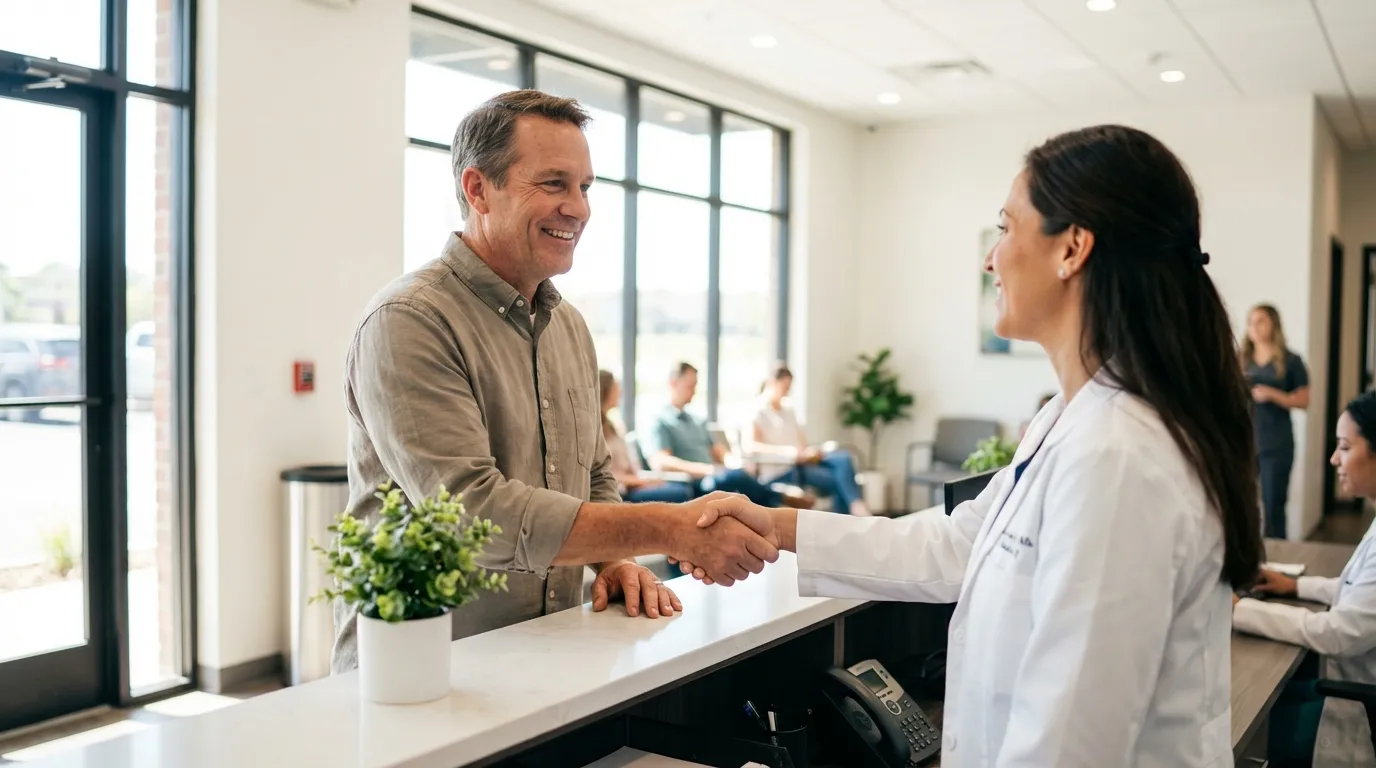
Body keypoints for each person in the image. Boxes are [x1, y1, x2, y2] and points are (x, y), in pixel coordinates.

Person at [680, 125, 1264, 766]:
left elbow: (1067, 747)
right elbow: (957, 543)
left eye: (1007, 229)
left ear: (1072, 248)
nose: (992, 259)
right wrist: (780, 526)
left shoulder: (1118, 456)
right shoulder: (1070, 420)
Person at [335, 90, 778, 672]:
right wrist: (671, 529)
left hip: (552, 654)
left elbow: (591, 474)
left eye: (585, 186)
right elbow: (475, 514)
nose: (579, 208)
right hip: (426, 671)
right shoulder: (409, 322)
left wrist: (612, 561)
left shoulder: (567, 325)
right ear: (477, 189)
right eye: (553, 184)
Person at [1233, 390, 1376, 767]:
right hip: (1349, 680)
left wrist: (1239, 610)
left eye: (1345, 447)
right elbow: (1356, 591)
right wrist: (1294, 585)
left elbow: (1338, 633)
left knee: (1245, 719)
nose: (1334, 459)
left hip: (1356, 710)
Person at [643, 362, 812, 509]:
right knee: (735, 479)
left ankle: (775, 506)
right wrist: (705, 470)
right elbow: (661, 461)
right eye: (690, 386)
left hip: (717, 475)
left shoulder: (697, 420)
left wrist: (735, 463)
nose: (694, 391)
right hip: (697, 482)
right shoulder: (659, 421)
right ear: (673, 383)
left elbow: (720, 452)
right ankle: (779, 499)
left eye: (695, 385)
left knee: (738, 475)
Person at [744, 363, 870, 516]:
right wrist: (789, 453)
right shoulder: (758, 411)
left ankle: (854, 508)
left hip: (801, 463)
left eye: (789, 389)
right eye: (784, 388)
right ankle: (856, 510)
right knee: (840, 480)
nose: (786, 393)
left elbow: (801, 442)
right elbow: (751, 446)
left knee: (844, 458)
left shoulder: (788, 409)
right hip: (782, 469)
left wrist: (809, 452)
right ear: (771, 383)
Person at [1242, 303, 1310, 539]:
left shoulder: (1291, 361)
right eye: (1251, 322)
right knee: (1243, 506)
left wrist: (1273, 394)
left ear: (1273, 325)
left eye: (1260, 321)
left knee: (1273, 507)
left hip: (1276, 445)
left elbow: (1304, 400)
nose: (1254, 327)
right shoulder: (1241, 359)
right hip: (1245, 443)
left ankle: (1278, 559)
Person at [599, 369, 694, 504]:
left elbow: (630, 469)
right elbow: (608, 475)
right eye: (616, 387)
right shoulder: (598, 430)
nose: (620, 392)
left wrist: (646, 480)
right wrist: (641, 481)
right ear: (605, 390)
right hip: (621, 489)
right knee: (680, 493)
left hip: (633, 483)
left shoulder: (615, 426)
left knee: (680, 490)